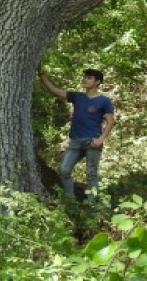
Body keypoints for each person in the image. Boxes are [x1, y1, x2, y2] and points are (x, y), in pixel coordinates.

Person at [38, 68, 115, 203]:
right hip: (75, 141)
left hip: (92, 142)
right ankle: (71, 201)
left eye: (89, 78)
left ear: (97, 82)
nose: (85, 79)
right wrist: (41, 74)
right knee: (64, 170)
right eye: (85, 77)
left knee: (91, 174)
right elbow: (54, 90)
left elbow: (110, 122)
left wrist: (100, 139)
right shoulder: (77, 96)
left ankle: (92, 206)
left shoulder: (104, 101)